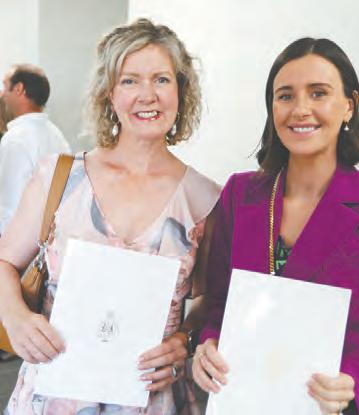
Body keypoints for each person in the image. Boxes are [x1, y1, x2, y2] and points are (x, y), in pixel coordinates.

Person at [0, 18, 220, 415]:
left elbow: (210, 299)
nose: (147, 95)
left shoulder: (205, 199)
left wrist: (184, 339)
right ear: (109, 94)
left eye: (161, 80)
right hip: (53, 396)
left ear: (181, 90)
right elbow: (4, 263)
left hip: (151, 400)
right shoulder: (59, 177)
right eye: (129, 80)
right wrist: (14, 318)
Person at [192, 38, 359, 415]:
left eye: (318, 93)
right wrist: (208, 344)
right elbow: (219, 303)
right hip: (242, 403)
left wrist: (353, 384)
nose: (300, 109)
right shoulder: (239, 195)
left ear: (349, 105)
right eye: (285, 96)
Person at [0, 64, 71, 234]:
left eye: (5, 86)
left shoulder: (16, 139)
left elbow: (9, 209)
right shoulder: (57, 135)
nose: (2, 94)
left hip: (19, 243)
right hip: (49, 239)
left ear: (19, 89)